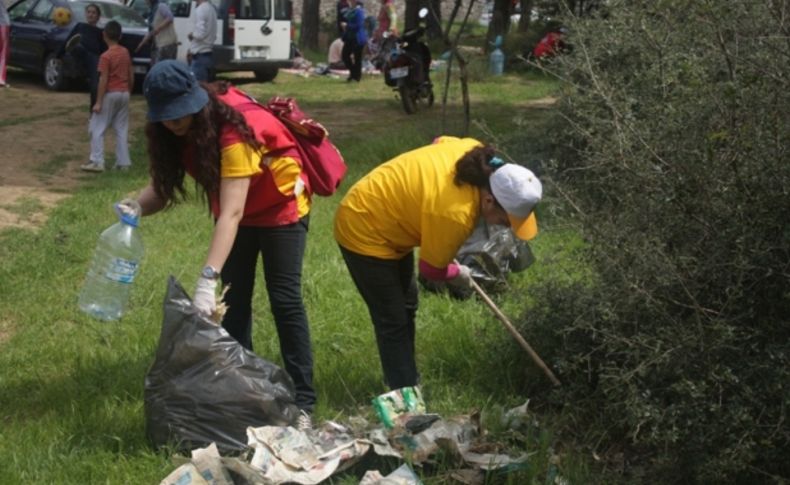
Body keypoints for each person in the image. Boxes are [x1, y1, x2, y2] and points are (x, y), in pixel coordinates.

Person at [122, 60, 316, 429]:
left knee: (285, 299)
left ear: (195, 99)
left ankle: (304, 401)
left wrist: (206, 278)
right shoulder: (170, 133)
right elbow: (161, 192)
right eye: (166, 116)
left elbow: (232, 213)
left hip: (281, 206)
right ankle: (245, 392)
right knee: (236, 301)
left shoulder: (233, 130)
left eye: (180, 113)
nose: (174, 122)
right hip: (239, 207)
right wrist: (134, 205)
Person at [334, 136, 542, 390]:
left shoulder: (475, 155)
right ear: (489, 200)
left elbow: (439, 141)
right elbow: (431, 270)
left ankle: (404, 378)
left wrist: (427, 209)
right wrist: (458, 272)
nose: (505, 226)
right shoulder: (456, 215)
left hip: (389, 214)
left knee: (408, 303)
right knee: (392, 318)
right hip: (363, 224)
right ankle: (405, 395)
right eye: (505, 219)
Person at [81, 20, 133, 172]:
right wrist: (128, 89)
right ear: (120, 36)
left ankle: (97, 161)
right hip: (124, 93)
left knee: (97, 127)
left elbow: (103, 79)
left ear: (104, 35)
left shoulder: (105, 56)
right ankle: (123, 163)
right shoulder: (125, 52)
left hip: (111, 93)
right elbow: (130, 72)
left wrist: (98, 102)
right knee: (121, 129)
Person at [64, 4, 105, 109]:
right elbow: (67, 40)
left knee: (95, 85)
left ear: (98, 16)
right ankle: (74, 52)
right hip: (80, 54)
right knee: (78, 47)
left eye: (93, 13)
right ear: (86, 14)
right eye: (89, 12)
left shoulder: (100, 32)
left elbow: (103, 49)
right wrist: (58, 55)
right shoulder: (80, 26)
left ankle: (93, 108)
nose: (91, 15)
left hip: (94, 58)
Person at [136, 0, 178, 65]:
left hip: (167, 44)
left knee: (165, 68)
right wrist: (141, 44)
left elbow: (170, 17)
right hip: (158, 45)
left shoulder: (161, 6)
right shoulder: (152, 11)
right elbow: (151, 31)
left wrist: (158, 28)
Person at [188, 0, 217, 81]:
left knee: (198, 87)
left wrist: (192, 35)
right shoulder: (211, 8)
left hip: (200, 56)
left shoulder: (200, 9)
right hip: (208, 53)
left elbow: (200, 34)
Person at [341, 0, 368, 82]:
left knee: (357, 58)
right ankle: (353, 73)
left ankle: (356, 77)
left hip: (357, 38)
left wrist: (347, 25)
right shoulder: (350, 10)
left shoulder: (359, 11)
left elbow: (359, 25)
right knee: (345, 55)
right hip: (349, 37)